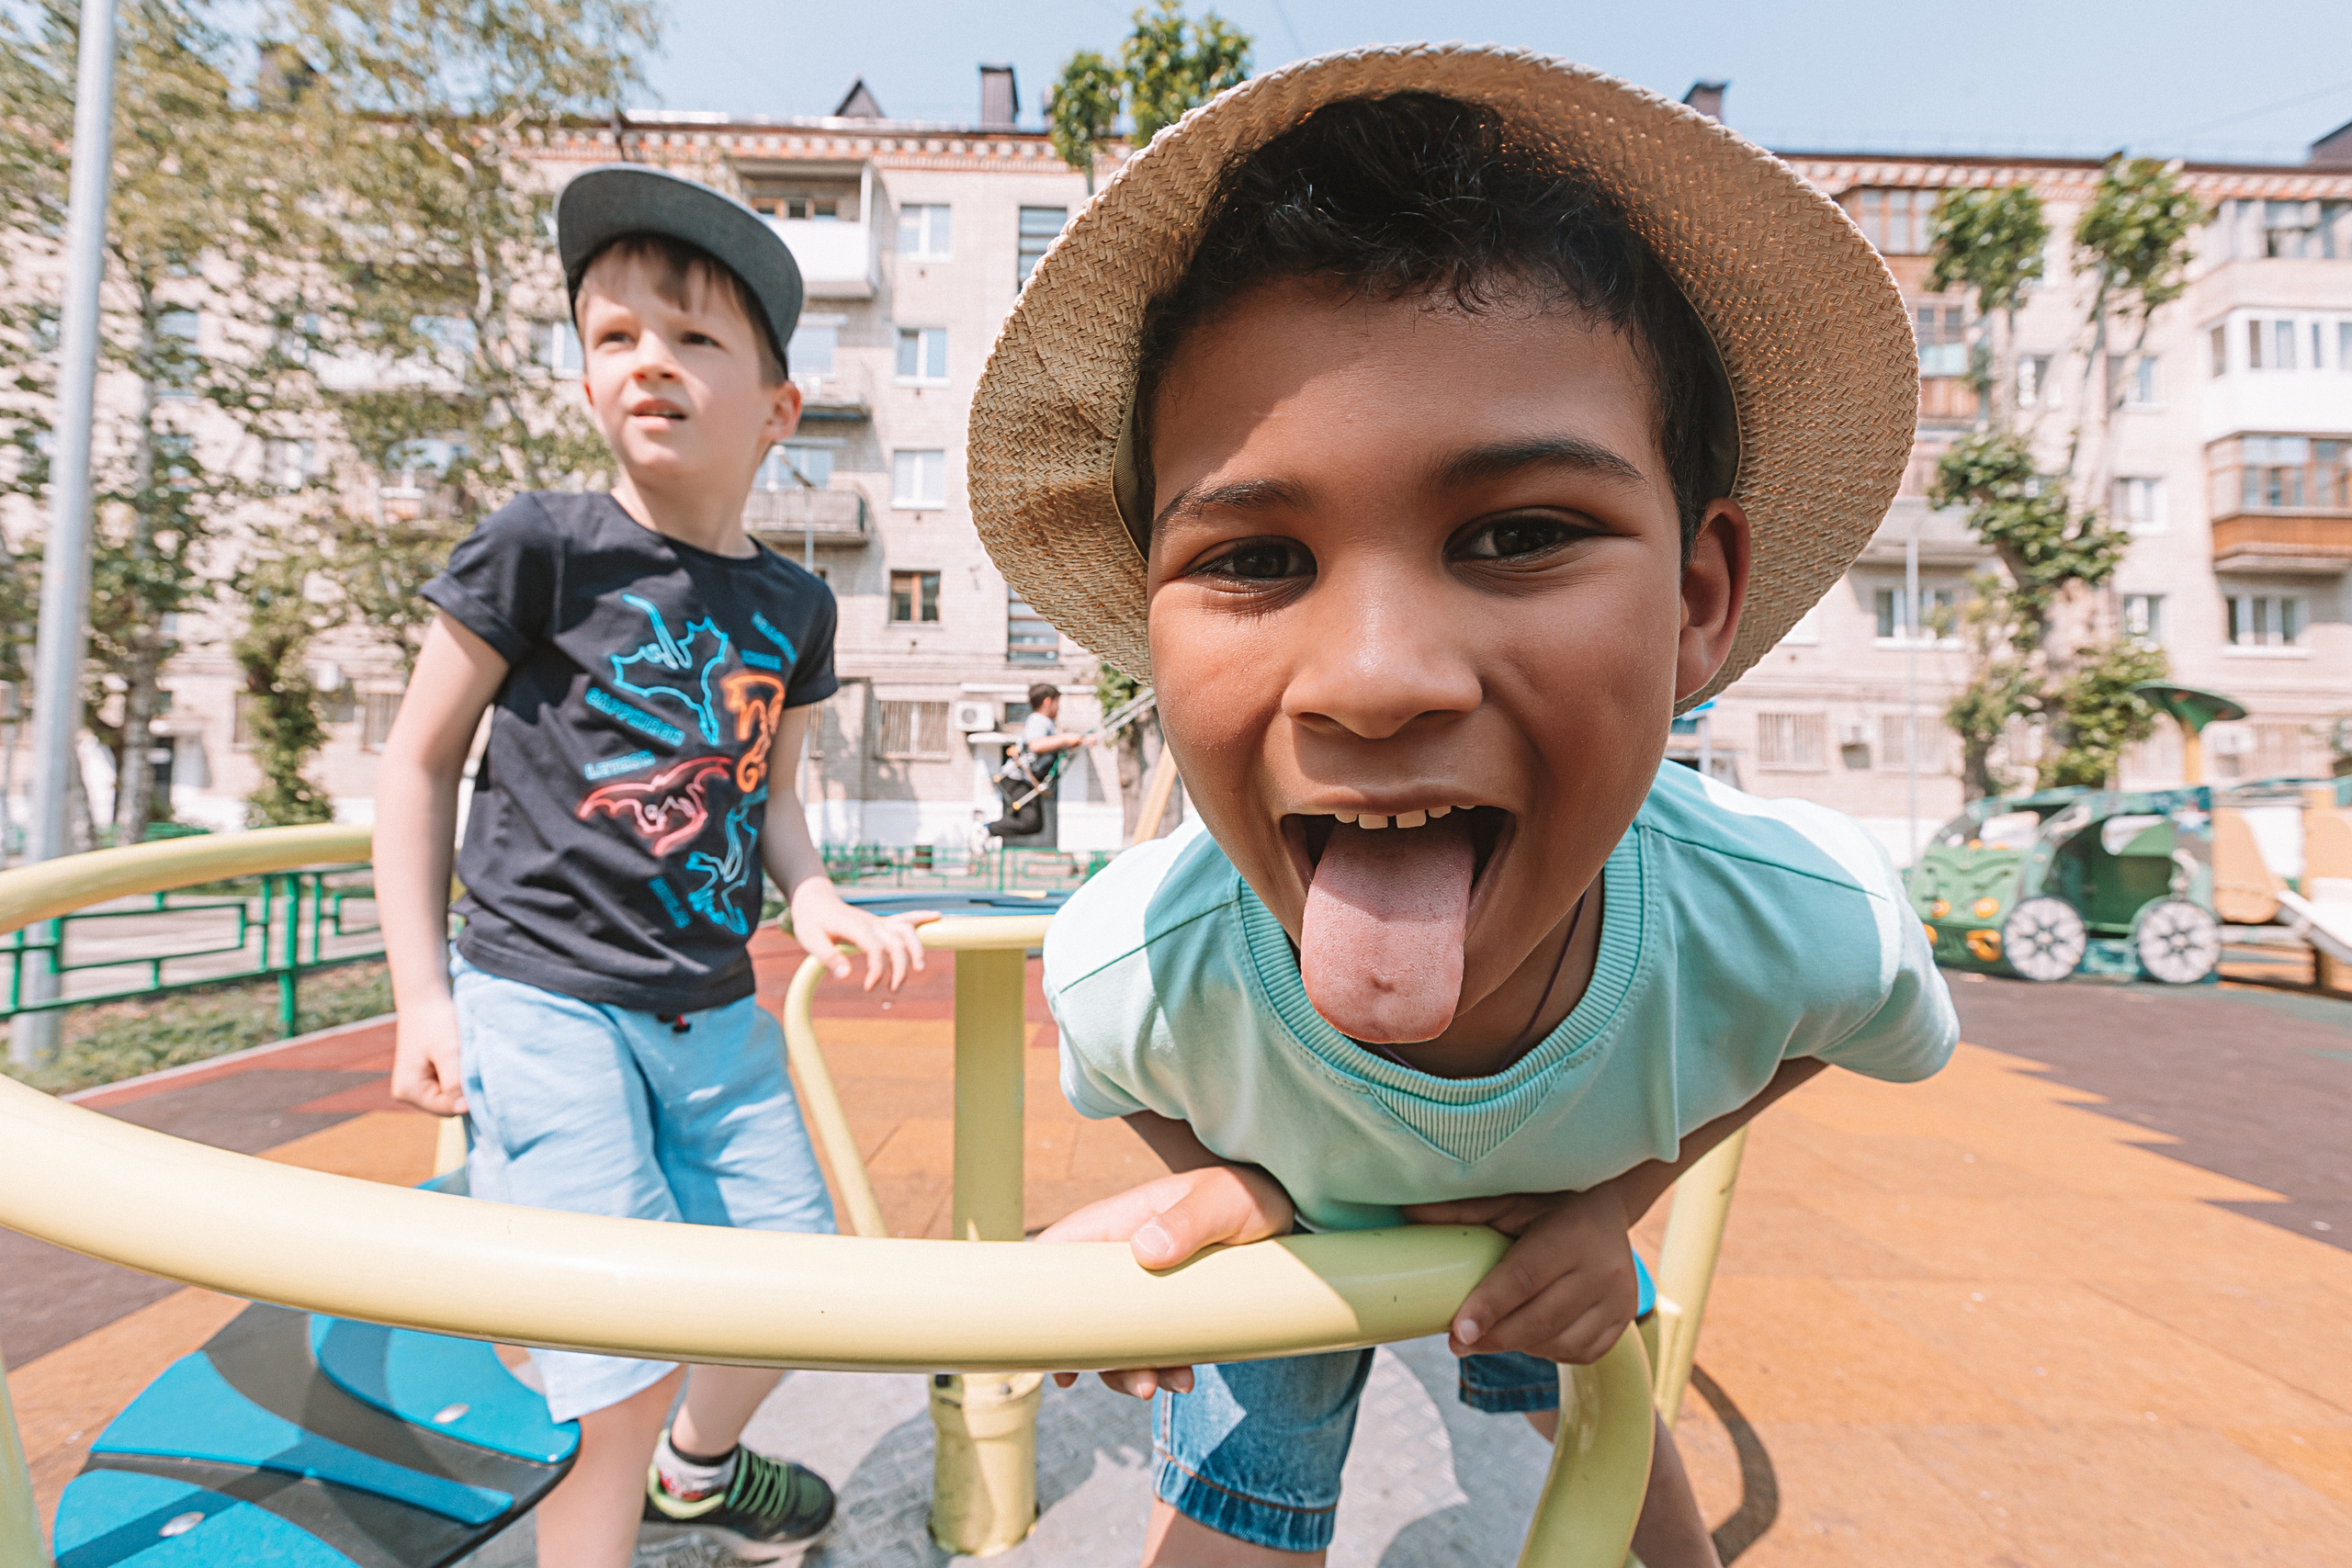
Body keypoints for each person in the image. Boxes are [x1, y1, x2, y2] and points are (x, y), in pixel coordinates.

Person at [965, 50, 1952, 1568]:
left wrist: (1616, 1196)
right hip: (1296, 1221)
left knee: (1604, 1407)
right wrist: (1240, 1181)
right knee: (1245, 1447)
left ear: (1701, 599)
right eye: (1254, 558)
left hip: (1545, 1210)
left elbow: (1841, 1014)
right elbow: (1125, 1070)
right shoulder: (1139, 963)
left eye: (1516, 532)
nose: (1374, 682)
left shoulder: (1795, 919)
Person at [377, 164, 933, 1568]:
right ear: (582, 378)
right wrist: (423, 996)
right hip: (540, 992)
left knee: (792, 1284)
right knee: (612, 1356)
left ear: (779, 409)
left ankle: (701, 1470)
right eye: (615, 337)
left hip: (709, 1000)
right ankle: (615, 1510)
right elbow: (416, 762)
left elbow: (776, 798)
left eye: (693, 340)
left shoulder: (792, 605)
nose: (650, 364)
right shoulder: (543, 549)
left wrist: (810, 895)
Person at [985, 682, 1088, 842]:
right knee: (1030, 821)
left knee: (1034, 823)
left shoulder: (1043, 722)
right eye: (1057, 703)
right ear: (1048, 702)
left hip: (1024, 781)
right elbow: (1036, 745)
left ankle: (987, 830)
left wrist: (1079, 741)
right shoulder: (1038, 720)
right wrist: (1065, 738)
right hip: (1017, 778)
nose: (1058, 709)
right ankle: (985, 829)